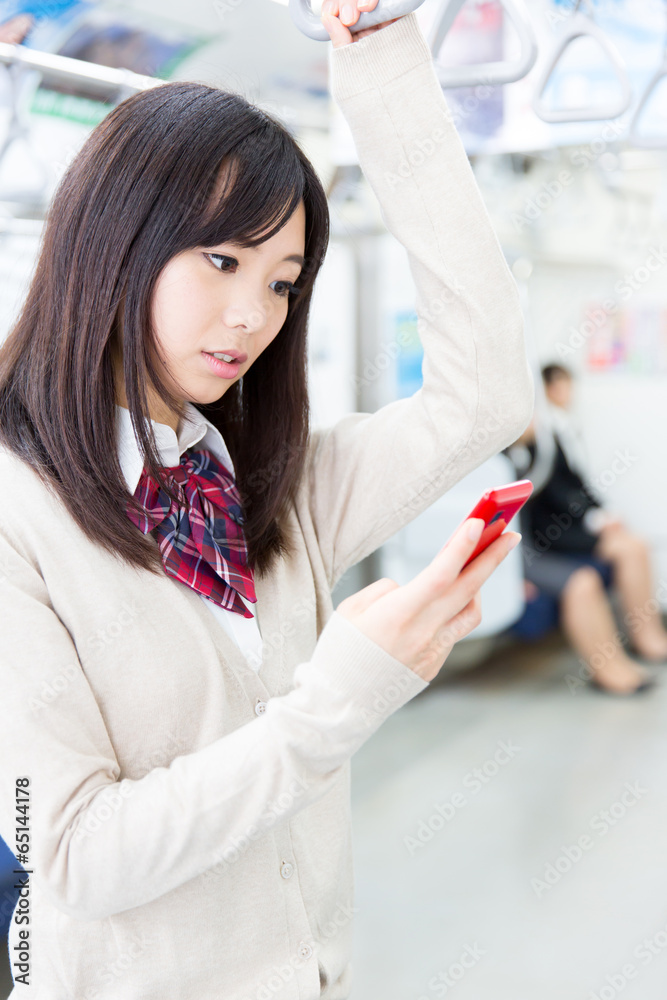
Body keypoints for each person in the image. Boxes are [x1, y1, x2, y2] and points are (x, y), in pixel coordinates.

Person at [0, 4, 533, 998]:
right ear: (114, 241)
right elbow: (74, 852)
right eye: (220, 261)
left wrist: (378, 69)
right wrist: (340, 698)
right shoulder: (16, 512)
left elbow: (486, 392)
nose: (252, 314)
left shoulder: (267, 491)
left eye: (284, 281)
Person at [513, 363, 667, 695]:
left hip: (554, 536)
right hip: (540, 544)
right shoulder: (509, 456)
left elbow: (577, 488)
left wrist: (602, 515)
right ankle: (611, 669)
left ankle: (648, 639)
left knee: (633, 545)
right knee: (585, 580)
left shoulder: (548, 443)